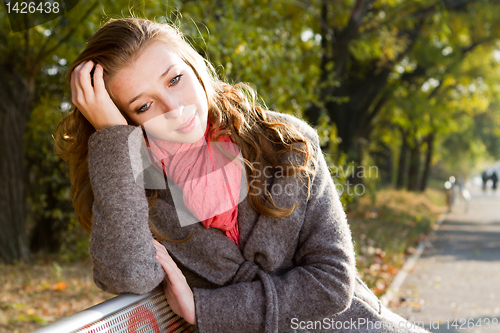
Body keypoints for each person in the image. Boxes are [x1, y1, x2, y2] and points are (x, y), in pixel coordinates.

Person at [55, 17, 429, 333]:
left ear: (195, 64)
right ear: (126, 120)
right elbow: (129, 276)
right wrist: (111, 139)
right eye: (144, 105)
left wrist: (205, 309)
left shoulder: (284, 144)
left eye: (174, 79)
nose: (176, 108)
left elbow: (330, 285)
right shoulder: (140, 190)